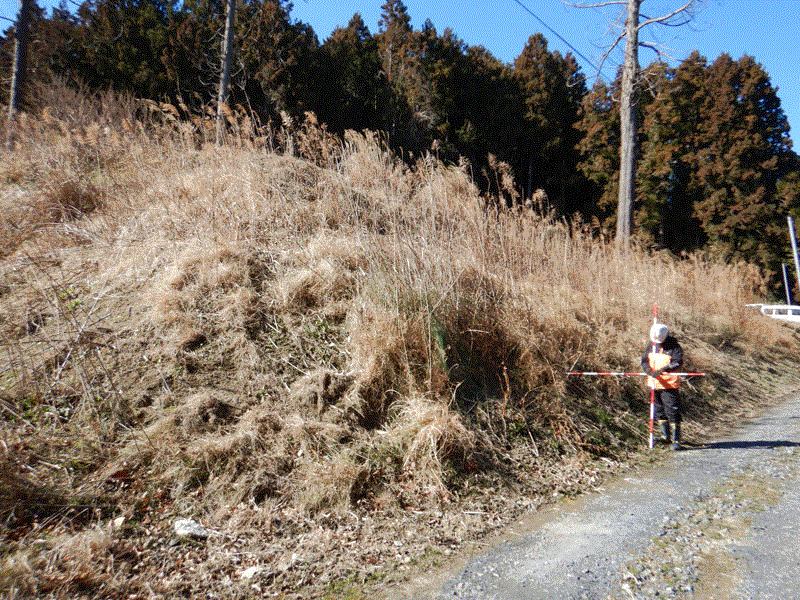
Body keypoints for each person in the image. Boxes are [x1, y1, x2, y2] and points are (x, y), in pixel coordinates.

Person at [641, 322, 684, 450]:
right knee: (659, 411)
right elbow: (644, 360)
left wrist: (664, 369)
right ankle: (665, 437)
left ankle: (676, 440)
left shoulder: (674, 347)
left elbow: (677, 362)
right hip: (654, 384)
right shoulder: (651, 345)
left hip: (669, 385)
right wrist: (647, 370)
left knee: (672, 411)